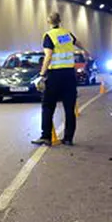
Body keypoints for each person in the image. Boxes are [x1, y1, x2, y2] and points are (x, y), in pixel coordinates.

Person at [32, 12, 81, 146]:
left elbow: (48, 56)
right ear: (60, 21)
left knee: (48, 106)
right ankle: (68, 138)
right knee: (69, 108)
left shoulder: (49, 35)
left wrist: (42, 74)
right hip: (69, 74)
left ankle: (46, 136)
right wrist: (87, 52)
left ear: (49, 22)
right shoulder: (67, 34)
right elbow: (78, 43)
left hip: (55, 75)